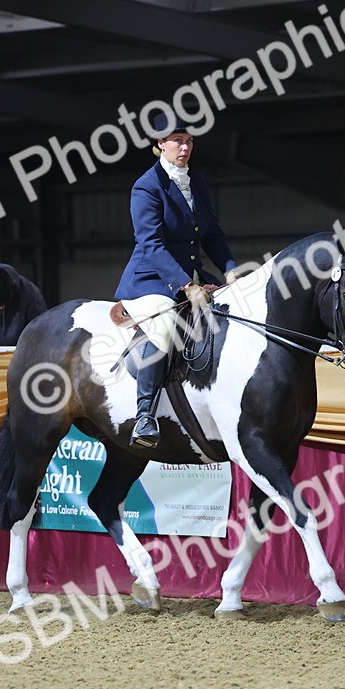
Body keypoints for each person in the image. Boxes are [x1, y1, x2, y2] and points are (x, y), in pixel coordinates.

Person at [115, 113, 239, 449]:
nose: (184, 147)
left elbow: (211, 233)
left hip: (192, 274)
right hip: (152, 279)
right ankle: (145, 415)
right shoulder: (146, 186)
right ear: (160, 144)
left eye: (189, 141)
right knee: (166, 324)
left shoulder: (197, 181)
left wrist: (230, 268)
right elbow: (151, 245)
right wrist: (186, 285)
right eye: (177, 141)